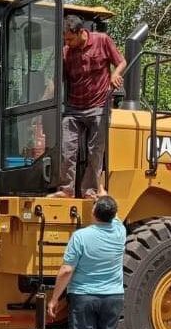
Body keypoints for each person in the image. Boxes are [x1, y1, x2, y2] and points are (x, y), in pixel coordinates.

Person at [47, 195, 126, 329]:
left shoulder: (81, 236)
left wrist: (54, 299)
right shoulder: (120, 232)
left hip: (84, 297)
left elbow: (66, 270)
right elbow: (115, 215)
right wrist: (104, 194)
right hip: (113, 297)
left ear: (93, 213)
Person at [48, 15, 126, 200]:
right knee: (66, 149)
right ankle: (66, 190)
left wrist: (115, 74)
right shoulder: (66, 52)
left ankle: (89, 191)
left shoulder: (102, 40)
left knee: (95, 152)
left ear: (81, 32)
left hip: (99, 106)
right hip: (74, 108)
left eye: (69, 39)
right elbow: (56, 80)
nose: (67, 43)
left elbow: (121, 62)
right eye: (65, 39)